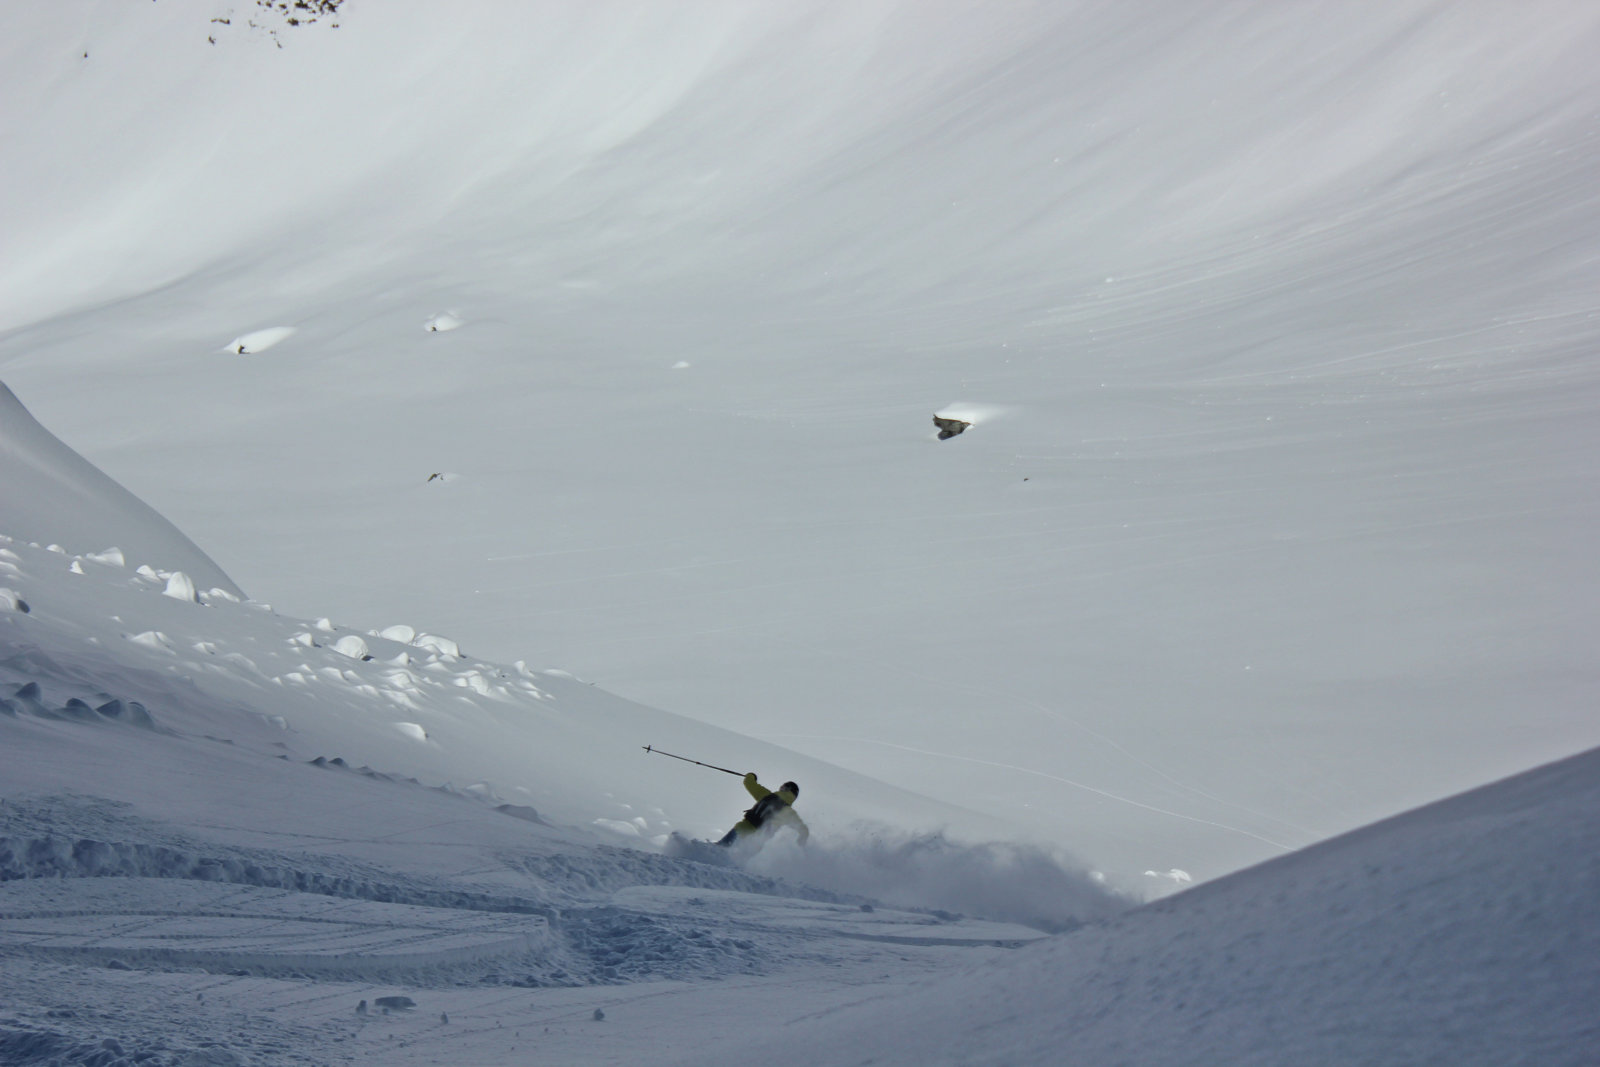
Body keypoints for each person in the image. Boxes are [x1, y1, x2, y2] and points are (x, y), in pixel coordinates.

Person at [716, 773, 809, 847]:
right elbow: (804, 830)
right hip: (754, 845)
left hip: (741, 831)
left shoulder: (766, 795)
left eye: (782, 787)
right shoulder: (789, 813)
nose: (780, 788)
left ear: (787, 788)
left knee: (717, 851)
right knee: (732, 864)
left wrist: (751, 776)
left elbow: (749, 783)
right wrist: (801, 840)